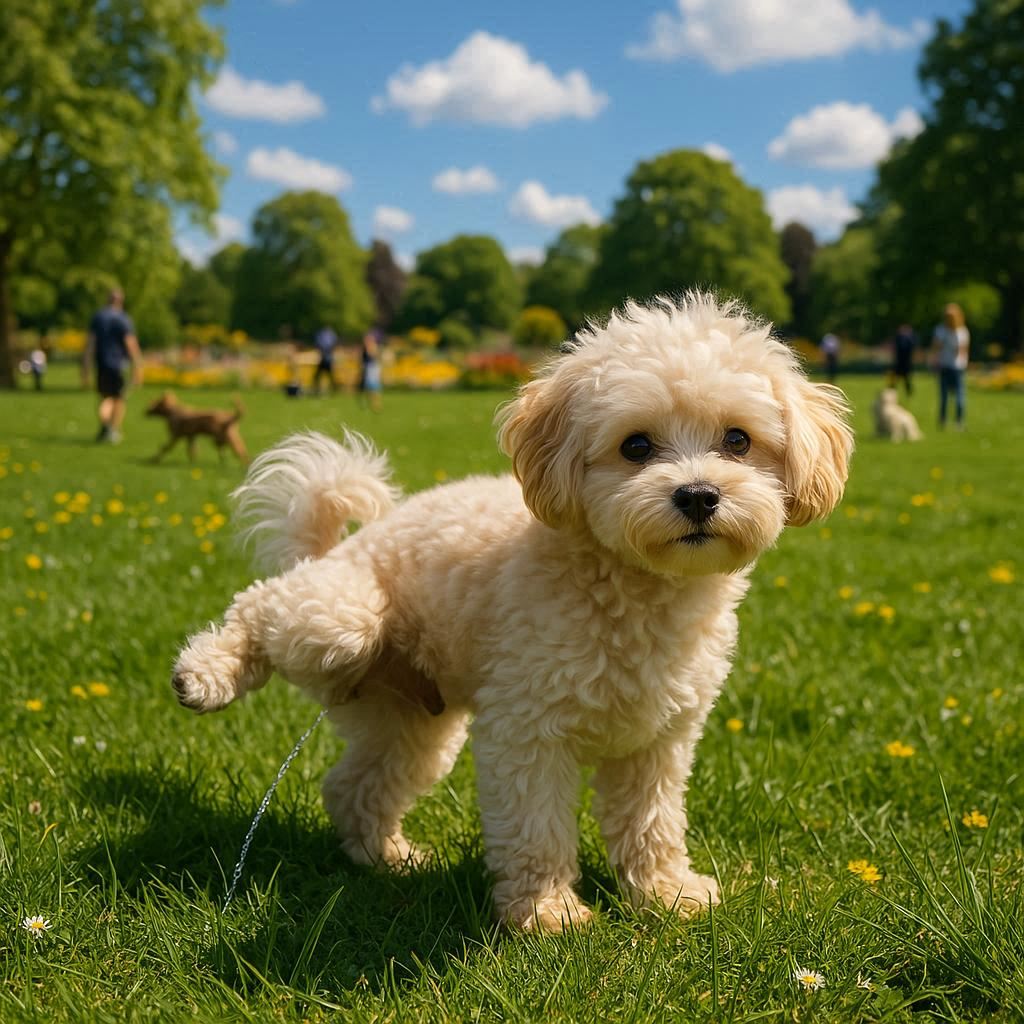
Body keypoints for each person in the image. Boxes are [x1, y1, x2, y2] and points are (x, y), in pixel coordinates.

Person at [82, 288, 142, 443]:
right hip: (119, 365)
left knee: (104, 398)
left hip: (101, 364)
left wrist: (86, 367)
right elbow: (131, 345)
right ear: (121, 301)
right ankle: (112, 429)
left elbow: (90, 344)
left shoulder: (98, 317)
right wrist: (138, 366)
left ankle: (105, 426)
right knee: (118, 399)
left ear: (107, 300)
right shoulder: (123, 319)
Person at [932, 303, 970, 429]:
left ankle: (953, 421)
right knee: (948, 396)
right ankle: (949, 421)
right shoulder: (945, 330)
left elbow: (962, 351)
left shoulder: (959, 331)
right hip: (949, 365)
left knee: (954, 396)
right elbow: (937, 348)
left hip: (954, 366)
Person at [358, 327, 383, 412]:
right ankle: (371, 405)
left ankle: (375, 405)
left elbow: (373, 356)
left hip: (371, 369)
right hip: (369, 368)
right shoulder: (367, 347)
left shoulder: (371, 346)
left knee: (373, 387)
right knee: (369, 387)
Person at [890, 323, 917, 395]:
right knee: (895, 378)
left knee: (906, 379)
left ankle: (908, 392)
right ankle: (892, 390)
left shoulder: (909, 339)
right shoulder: (898, 337)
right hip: (899, 362)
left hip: (906, 362)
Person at [312, 324, 338, 394]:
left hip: (326, 359)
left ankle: (333, 389)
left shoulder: (324, 334)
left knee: (320, 376)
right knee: (326, 376)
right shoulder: (331, 334)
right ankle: (333, 389)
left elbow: (318, 344)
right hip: (326, 358)